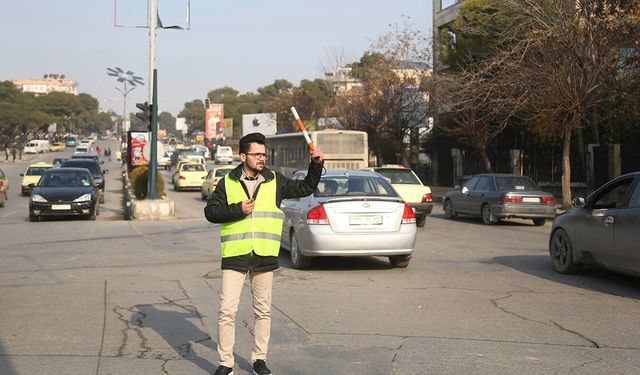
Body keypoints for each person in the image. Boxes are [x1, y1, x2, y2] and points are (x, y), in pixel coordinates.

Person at [204, 133, 324, 375]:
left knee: (263, 311)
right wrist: (238, 210)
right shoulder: (227, 182)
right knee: (227, 311)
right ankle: (225, 363)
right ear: (243, 156)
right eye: (257, 154)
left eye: (264, 154)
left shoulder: (274, 180)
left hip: (264, 256)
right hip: (235, 255)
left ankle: (260, 359)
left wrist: (316, 165)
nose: (262, 158)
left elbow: (305, 187)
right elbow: (211, 212)